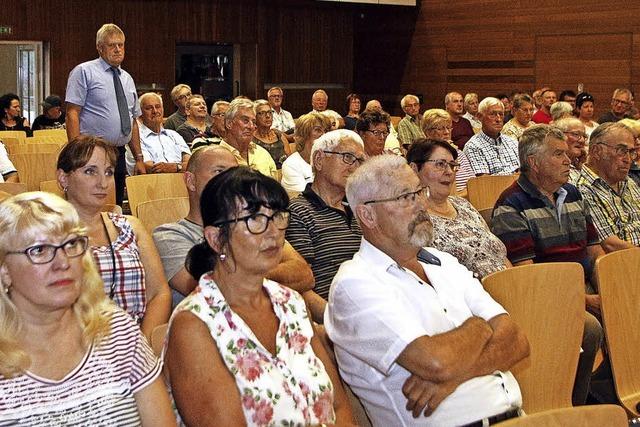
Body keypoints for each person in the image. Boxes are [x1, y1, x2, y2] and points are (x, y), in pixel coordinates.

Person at [326, 154, 528, 426]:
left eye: (419, 192)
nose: (421, 205)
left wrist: (454, 378)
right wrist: (480, 326)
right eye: (404, 197)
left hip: (517, 417)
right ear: (367, 214)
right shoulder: (355, 284)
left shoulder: (444, 261)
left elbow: (517, 342)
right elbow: (436, 362)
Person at [165, 166, 354, 426]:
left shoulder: (291, 302)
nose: (273, 231)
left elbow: (339, 406)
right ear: (216, 238)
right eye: (254, 219)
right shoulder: (194, 325)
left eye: (277, 216)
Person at [0, 191, 174, 426]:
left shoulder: (118, 331)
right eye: (39, 250)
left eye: (71, 244)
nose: (63, 262)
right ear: (5, 271)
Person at [490, 124, 604, 405]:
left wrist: (612, 290)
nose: (569, 160)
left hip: (583, 283)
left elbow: (595, 251)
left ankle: (612, 386)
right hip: (547, 293)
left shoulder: (574, 194)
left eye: (567, 154)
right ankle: (572, 404)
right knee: (589, 328)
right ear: (533, 163)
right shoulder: (511, 205)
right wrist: (586, 300)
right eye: (558, 154)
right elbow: (529, 275)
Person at [152, 146, 314, 307]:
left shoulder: (258, 224)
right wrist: (269, 271)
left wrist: (240, 273)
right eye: (219, 172)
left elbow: (304, 275)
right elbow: (210, 290)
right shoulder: (169, 235)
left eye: (234, 173)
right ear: (190, 181)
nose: (231, 181)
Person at [56, 135, 172, 338]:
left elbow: (159, 294)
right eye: (90, 171)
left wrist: (140, 347)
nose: (103, 183)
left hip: (137, 345)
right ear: (63, 178)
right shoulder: (47, 235)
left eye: (108, 173)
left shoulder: (130, 227)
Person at [286, 129, 365, 323]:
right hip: (334, 319)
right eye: (347, 157)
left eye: (360, 160)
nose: (354, 166)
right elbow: (302, 287)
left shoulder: (361, 211)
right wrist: (338, 325)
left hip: (371, 306)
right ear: (319, 160)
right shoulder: (298, 212)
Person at [65, 23, 146, 206]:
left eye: (121, 45)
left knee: (114, 205)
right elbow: (72, 113)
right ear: (100, 48)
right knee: (91, 206)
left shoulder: (127, 78)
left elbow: (132, 121)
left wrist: (139, 158)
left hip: (119, 153)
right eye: (112, 45)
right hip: (91, 152)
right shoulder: (84, 72)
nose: (118, 50)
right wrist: (77, 152)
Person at [407, 139, 510, 279]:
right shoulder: (413, 216)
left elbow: (500, 255)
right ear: (414, 169)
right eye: (440, 164)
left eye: (452, 165)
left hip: (508, 288)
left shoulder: (463, 204)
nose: (449, 172)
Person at [576, 122, 640, 251]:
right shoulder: (582, 189)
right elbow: (609, 243)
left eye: (631, 152)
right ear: (596, 151)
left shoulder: (628, 181)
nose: (628, 159)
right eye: (621, 151)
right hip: (622, 263)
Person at [125, 92, 191, 175]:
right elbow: (148, 168)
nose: (155, 111)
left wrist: (176, 167)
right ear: (139, 114)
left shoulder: (175, 135)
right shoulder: (136, 139)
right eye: (149, 108)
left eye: (158, 106)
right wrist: (180, 167)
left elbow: (191, 165)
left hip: (181, 184)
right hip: (151, 185)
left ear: (163, 109)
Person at [220, 98, 277, 178]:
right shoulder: (217, 157)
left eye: (253, 122)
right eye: (245, 121)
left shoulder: (262, 154)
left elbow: (274, 187)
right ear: (229, 124)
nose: (251, 126)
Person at [421, 108, 474, 192]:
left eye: (448, 128)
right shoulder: (425, 156)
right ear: (428, 132)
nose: (446, 132)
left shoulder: (459, 152)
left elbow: (472, 181)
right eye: (440, 128)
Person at [463, 97, 520, 176]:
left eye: (501, 114)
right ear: (480, 117)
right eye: (492, 114)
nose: (498, 119)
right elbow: (484, 182)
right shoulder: (473, 146)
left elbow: (524, 174)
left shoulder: (513, 143)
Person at [281, 112, 326, 193]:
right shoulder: (291, 165)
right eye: (318, 130)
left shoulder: (328, 160)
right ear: (304, 134)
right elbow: (307, 198)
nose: (323, 134)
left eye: (325, 131)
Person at [252, 99, 291, 169]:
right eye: (262, 113)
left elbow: (291, 162)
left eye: (270, 112)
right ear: (255, 117)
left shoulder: (279, 135)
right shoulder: (251, 139)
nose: (268, 116)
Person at [555, 117, 588, 183]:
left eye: (584, 136)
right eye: (576, 134)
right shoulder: (555, 166)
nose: (582, 140)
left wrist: (582, 167)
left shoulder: (580, 163)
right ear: (560, 135)